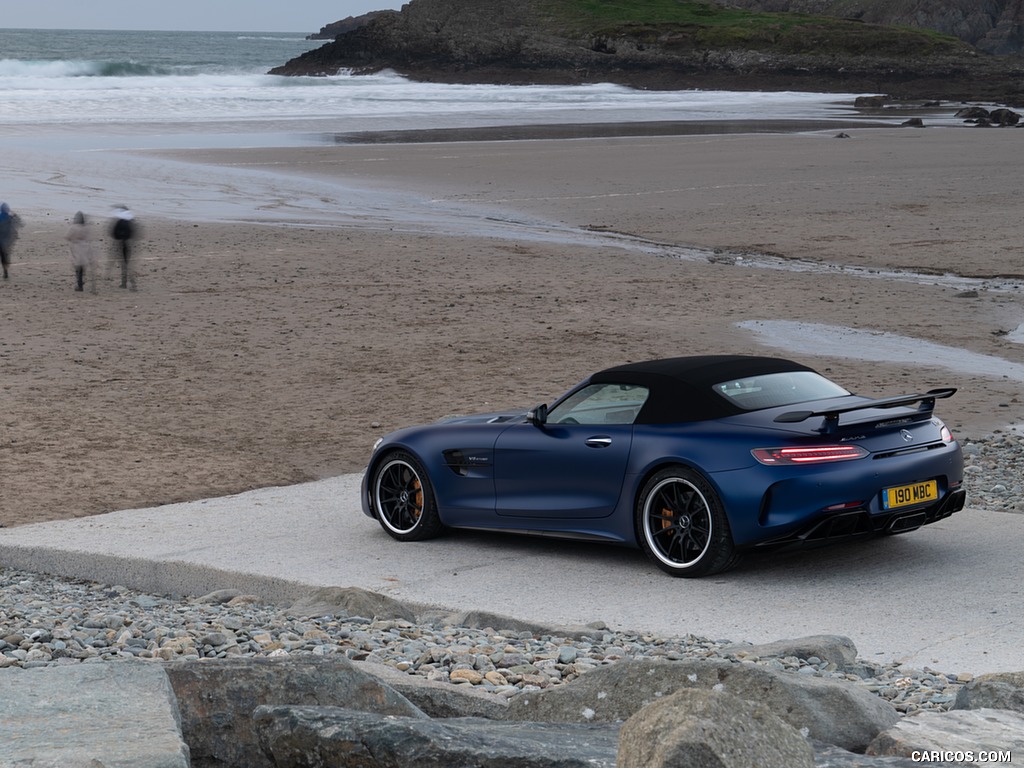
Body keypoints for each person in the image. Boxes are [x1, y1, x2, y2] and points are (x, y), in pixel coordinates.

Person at [66, 211, 97, 293]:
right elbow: (89, 237)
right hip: (85, 247)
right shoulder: (86, 227)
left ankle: (79, 285)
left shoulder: (73, 227)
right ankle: (82, 279)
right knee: (83, 265)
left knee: (77, 266)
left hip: (76, 247)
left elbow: (68, 236)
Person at [110, 205, 137, 290]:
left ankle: (124, 283)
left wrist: (118, 237)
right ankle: (131, 283)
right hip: (127, 243)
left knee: (122, 264)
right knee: (126, 264)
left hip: (120, 243)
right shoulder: (130, 222)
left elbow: (113, 233)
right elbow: (133, 233)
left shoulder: (119, 222)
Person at [0, 202, 22, 280]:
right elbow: (20, 224)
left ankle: (5, 272)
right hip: (6, 242)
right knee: (4, 258)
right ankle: (5, 272)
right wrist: (15, 214)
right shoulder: (10, 218)